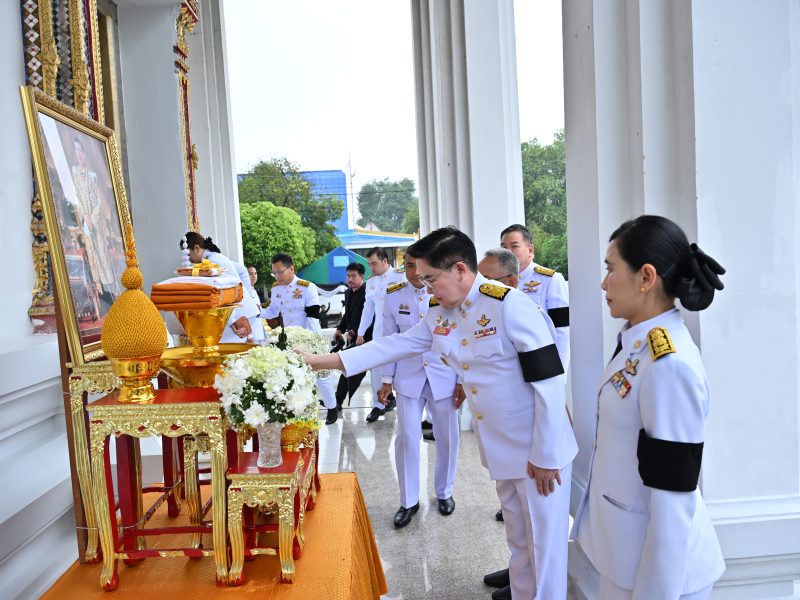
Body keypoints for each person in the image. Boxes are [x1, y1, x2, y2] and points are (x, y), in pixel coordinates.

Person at [299, 226, 577, 600]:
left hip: (538, 451)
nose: (426, 287)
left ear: (460, 270)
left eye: (431, 278)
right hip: (501, 447)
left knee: (544, 550)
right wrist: (322, 361)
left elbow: (549, 383)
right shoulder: (440, 311)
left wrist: (546, 455)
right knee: (520, 542)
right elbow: (393, 345)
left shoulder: (510, 306)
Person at [571, 215, 726, 599]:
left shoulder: (668, 365)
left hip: (657, 573)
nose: (603, 283)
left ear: (646, 277)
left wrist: (656, 592)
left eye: (611, 269)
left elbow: (674, 497)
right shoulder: (639, 343)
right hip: (626, 555)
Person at [377, 242, 463, 527]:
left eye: (419, 265)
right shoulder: (393, 295)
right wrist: (386, 379)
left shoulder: (445, 291)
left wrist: (462, 379)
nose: (414, 272)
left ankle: (444, 492)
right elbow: (388, 340)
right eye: (409, 265)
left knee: (447, 436)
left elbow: (461, 339)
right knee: (407, 437)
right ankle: (408, 500)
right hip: (408, 376)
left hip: (444, 375)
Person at [260, 253, 339, 425]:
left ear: (291, 269)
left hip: (309, 338)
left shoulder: (307, 287)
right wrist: (255, 311)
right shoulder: (276, 289)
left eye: (280, 272)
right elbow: (272, 311)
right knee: (295, 377)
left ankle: (332, 408)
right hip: (289, 341)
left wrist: (314, 343)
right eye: (274, 273)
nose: (277, 276)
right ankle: (300, 411)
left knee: (322, 376)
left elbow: (313, 317)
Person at [501, 224, 570, 370]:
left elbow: (562, 329)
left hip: (540, 360)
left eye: (514, 246)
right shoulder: (496, 282)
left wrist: (559, 370)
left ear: (530, 249)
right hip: (508, 364)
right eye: (504, 247)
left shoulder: (550, 279)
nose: (507, 252)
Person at [355, 247, 406, 422]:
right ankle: (378, 405)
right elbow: (367, 309)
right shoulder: (371, 282)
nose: (372, 268)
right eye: (369, 264)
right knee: (377, 370)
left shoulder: (400, 277)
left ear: (385, 261)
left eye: (374, 264)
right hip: (379, 333)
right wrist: (361, 333)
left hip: (400, 332)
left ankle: (405, 404)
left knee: (405, 369)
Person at [183, 232, 259, 343]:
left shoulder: (212, 261)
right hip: (242, 311)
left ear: (196, 248)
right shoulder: (215, 257)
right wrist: (247, 296)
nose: (188, 259)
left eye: (187, 254)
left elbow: (223, 293)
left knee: (222, 348)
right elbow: (242, 270)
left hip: (238, 314)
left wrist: (232, 321)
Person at [333, 262, 372, 410]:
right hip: (355, 340)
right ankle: (337, 401)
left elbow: (370, 316)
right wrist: (339, 329)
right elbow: (347, 315)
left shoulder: (368, 292)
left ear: (362, 276)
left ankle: (387, 400)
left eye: (353, 276)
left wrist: (355, 331)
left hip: (369, 338)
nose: (350, 279)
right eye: (348, 276)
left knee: (378, 374)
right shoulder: (348, 292)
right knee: (348, 369)